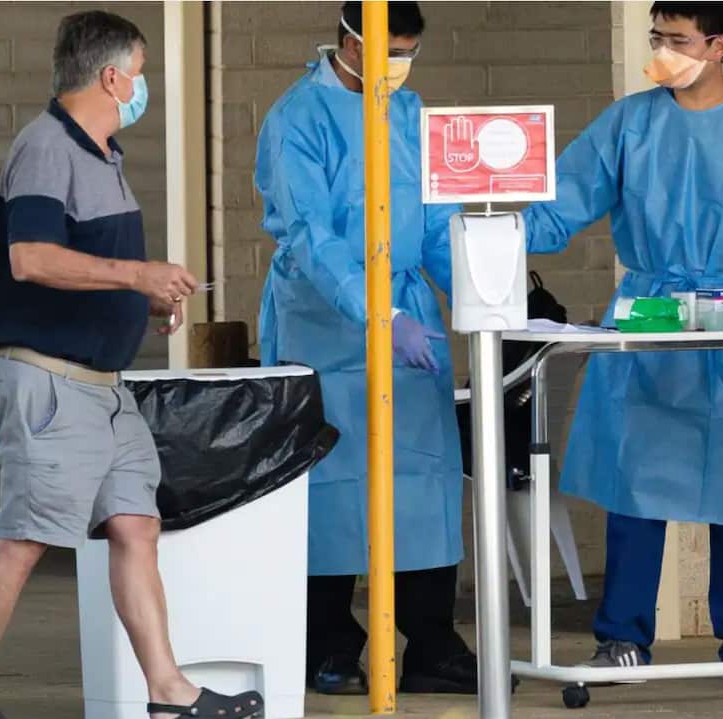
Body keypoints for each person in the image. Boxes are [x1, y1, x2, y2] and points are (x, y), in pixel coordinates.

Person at [0, 11, 262, 719]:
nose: (143, 87)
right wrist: (136, 274)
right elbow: (29, 258)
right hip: (50, 383)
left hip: (104, 388)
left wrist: (144, 300)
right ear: (112, 76)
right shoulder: (45, 149)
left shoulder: (105, 156)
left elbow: (97, 270)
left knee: (134, 525)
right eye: (142, 72)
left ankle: (168, 691)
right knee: (25, 539)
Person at [522, 1, 723, 672]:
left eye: (676, 39)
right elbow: (562, 198)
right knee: (637, 481)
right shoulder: (631, 122)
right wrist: (489, 226)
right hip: (648, 316)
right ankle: (622, 632)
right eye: (657, 36)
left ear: (718, 45)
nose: (660, 50)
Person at [255, 1, 480, 696]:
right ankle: (328, 642)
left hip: (408, 318)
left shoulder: (410, 113)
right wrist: (377, 312)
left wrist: (481, 294)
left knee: (424, 478)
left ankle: (431, 639)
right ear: (349, 39)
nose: (398, 66)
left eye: (407, 51)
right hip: (324, 321)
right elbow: (310, 237)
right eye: (388, 49)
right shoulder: (298, 119)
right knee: (329, 485)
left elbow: (437, 220)